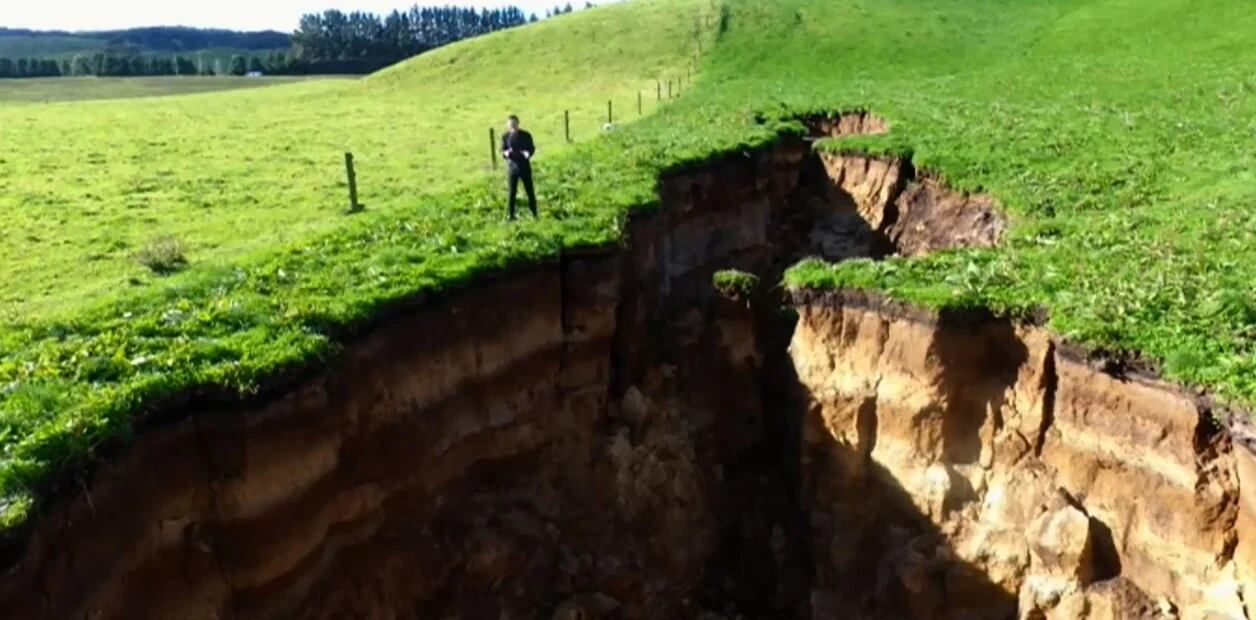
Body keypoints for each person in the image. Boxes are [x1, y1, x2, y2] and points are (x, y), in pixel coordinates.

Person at [501, 114, 538, 220]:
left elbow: (531, 149)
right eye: (510, 124)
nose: (512, 126)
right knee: (511, 192)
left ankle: (534, 213)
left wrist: (526, 154)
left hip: (524, 166)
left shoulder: (526, 135)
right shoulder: (505, 136)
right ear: (507, 125)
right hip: (512, 168)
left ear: (518, 123)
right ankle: (511, 215)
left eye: (514, 124)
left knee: (529, 190)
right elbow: (503, 150)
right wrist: (507, 153)